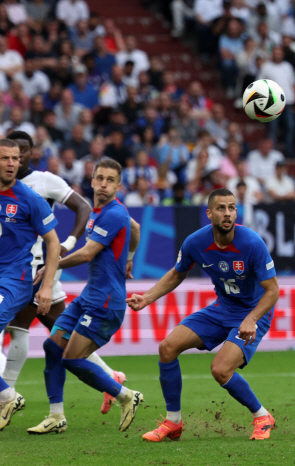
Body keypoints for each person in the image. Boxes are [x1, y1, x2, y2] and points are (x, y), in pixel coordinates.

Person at [126, 189, 279, 442]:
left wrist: (251, 319)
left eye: (231, 207)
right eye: (221, 208)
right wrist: (148, 297)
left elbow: (273, 291)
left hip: (253, 313)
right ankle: (173, 422)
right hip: (223, 308)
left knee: (220, 370)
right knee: (167, 348)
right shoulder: (195, 242)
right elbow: (177, 273)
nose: (227, 213)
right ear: (209, 213)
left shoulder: (251, 243)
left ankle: (262, 416)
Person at [2, 131, 126, 415]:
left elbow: (81, 206)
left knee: (19, 328)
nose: (16, 158)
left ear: (30, 153)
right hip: (25, 268)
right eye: (10, 154)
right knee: (59, 331)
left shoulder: (43, 182)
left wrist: (68, 243)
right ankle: (111, 377)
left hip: (37, 268)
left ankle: (6, 393)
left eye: (21, 152)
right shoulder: (5, 186)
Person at [28, 158, 143, 434]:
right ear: (91, 181)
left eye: (110, 180)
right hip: (89, 297)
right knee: (52, 347)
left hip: (106, 302)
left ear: (118, 185)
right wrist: (129, 258)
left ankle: (125, 395)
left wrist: (51, 265)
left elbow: (87, 253)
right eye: (99, 178)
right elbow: (136, 229)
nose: (104, 184)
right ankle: (56, 416)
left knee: (71, 358)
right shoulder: (99, 211)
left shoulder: (113, 213)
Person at [0, 138, 60, 430]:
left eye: (15, 158)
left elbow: (53, 242)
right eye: (5, 158)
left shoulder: (28, 197)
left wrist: (46, 286)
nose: (12, 163)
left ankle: (6, 395)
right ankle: (7, 394)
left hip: (14, 280)